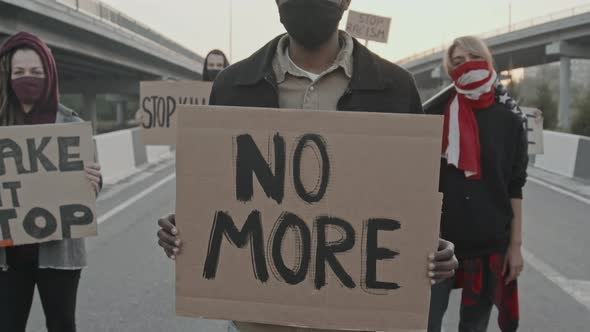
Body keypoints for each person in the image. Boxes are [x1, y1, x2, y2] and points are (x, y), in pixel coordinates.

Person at [157, 0, 459, 331]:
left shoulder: (396, 88)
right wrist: (189, 229)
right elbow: (216, 196)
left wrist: (432, 246)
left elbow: (411, 199)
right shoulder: (232, 85)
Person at [0, 32, 103, 332]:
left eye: (35, 72)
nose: (26, 79)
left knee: (61, 325)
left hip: (58, 255)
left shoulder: (70, 126)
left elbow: (91, 190)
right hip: (8, 257)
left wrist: (94, 182)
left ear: (49, 74)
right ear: (7, 75)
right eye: (19, 72)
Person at [425, 36, 528, 332]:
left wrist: (515, 247)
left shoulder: (510, 121)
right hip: (438, 243)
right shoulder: (434, 114)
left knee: (473, 326)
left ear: (487, 61)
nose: (466, 65)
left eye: (473, 57)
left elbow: (515, 188)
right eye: (458, 61)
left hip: (488, 245)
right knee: (426, 323)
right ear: (449, 69)